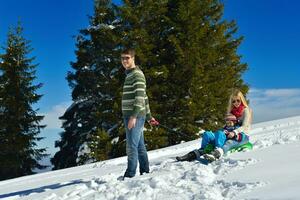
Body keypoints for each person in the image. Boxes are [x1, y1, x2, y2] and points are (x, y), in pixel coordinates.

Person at [176, 89, 252, 162]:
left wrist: (234, 132)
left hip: (242, 135)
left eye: (238, 100)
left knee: (228, 143)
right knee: (210, 137)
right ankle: (193, 154)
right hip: (230, 133)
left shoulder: (245, 110)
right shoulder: (231, 112)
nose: (236, 103)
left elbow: (244, 126)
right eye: (234, 101)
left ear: (241, 99)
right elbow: (227, 126)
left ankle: (216, 154)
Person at [120, 48, 158, 179]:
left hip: (133, 116)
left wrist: (133, 116)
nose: (124, 61)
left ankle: (129, 175)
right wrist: (149, 116)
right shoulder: (129, 75)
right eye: (122, 58)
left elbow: (140, 98)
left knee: (131, 147)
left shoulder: (137, 74)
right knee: (140, 146)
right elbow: (145, 97)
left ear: (133, 58)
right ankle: (145, 172)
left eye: (127, 58)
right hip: (134, 116)